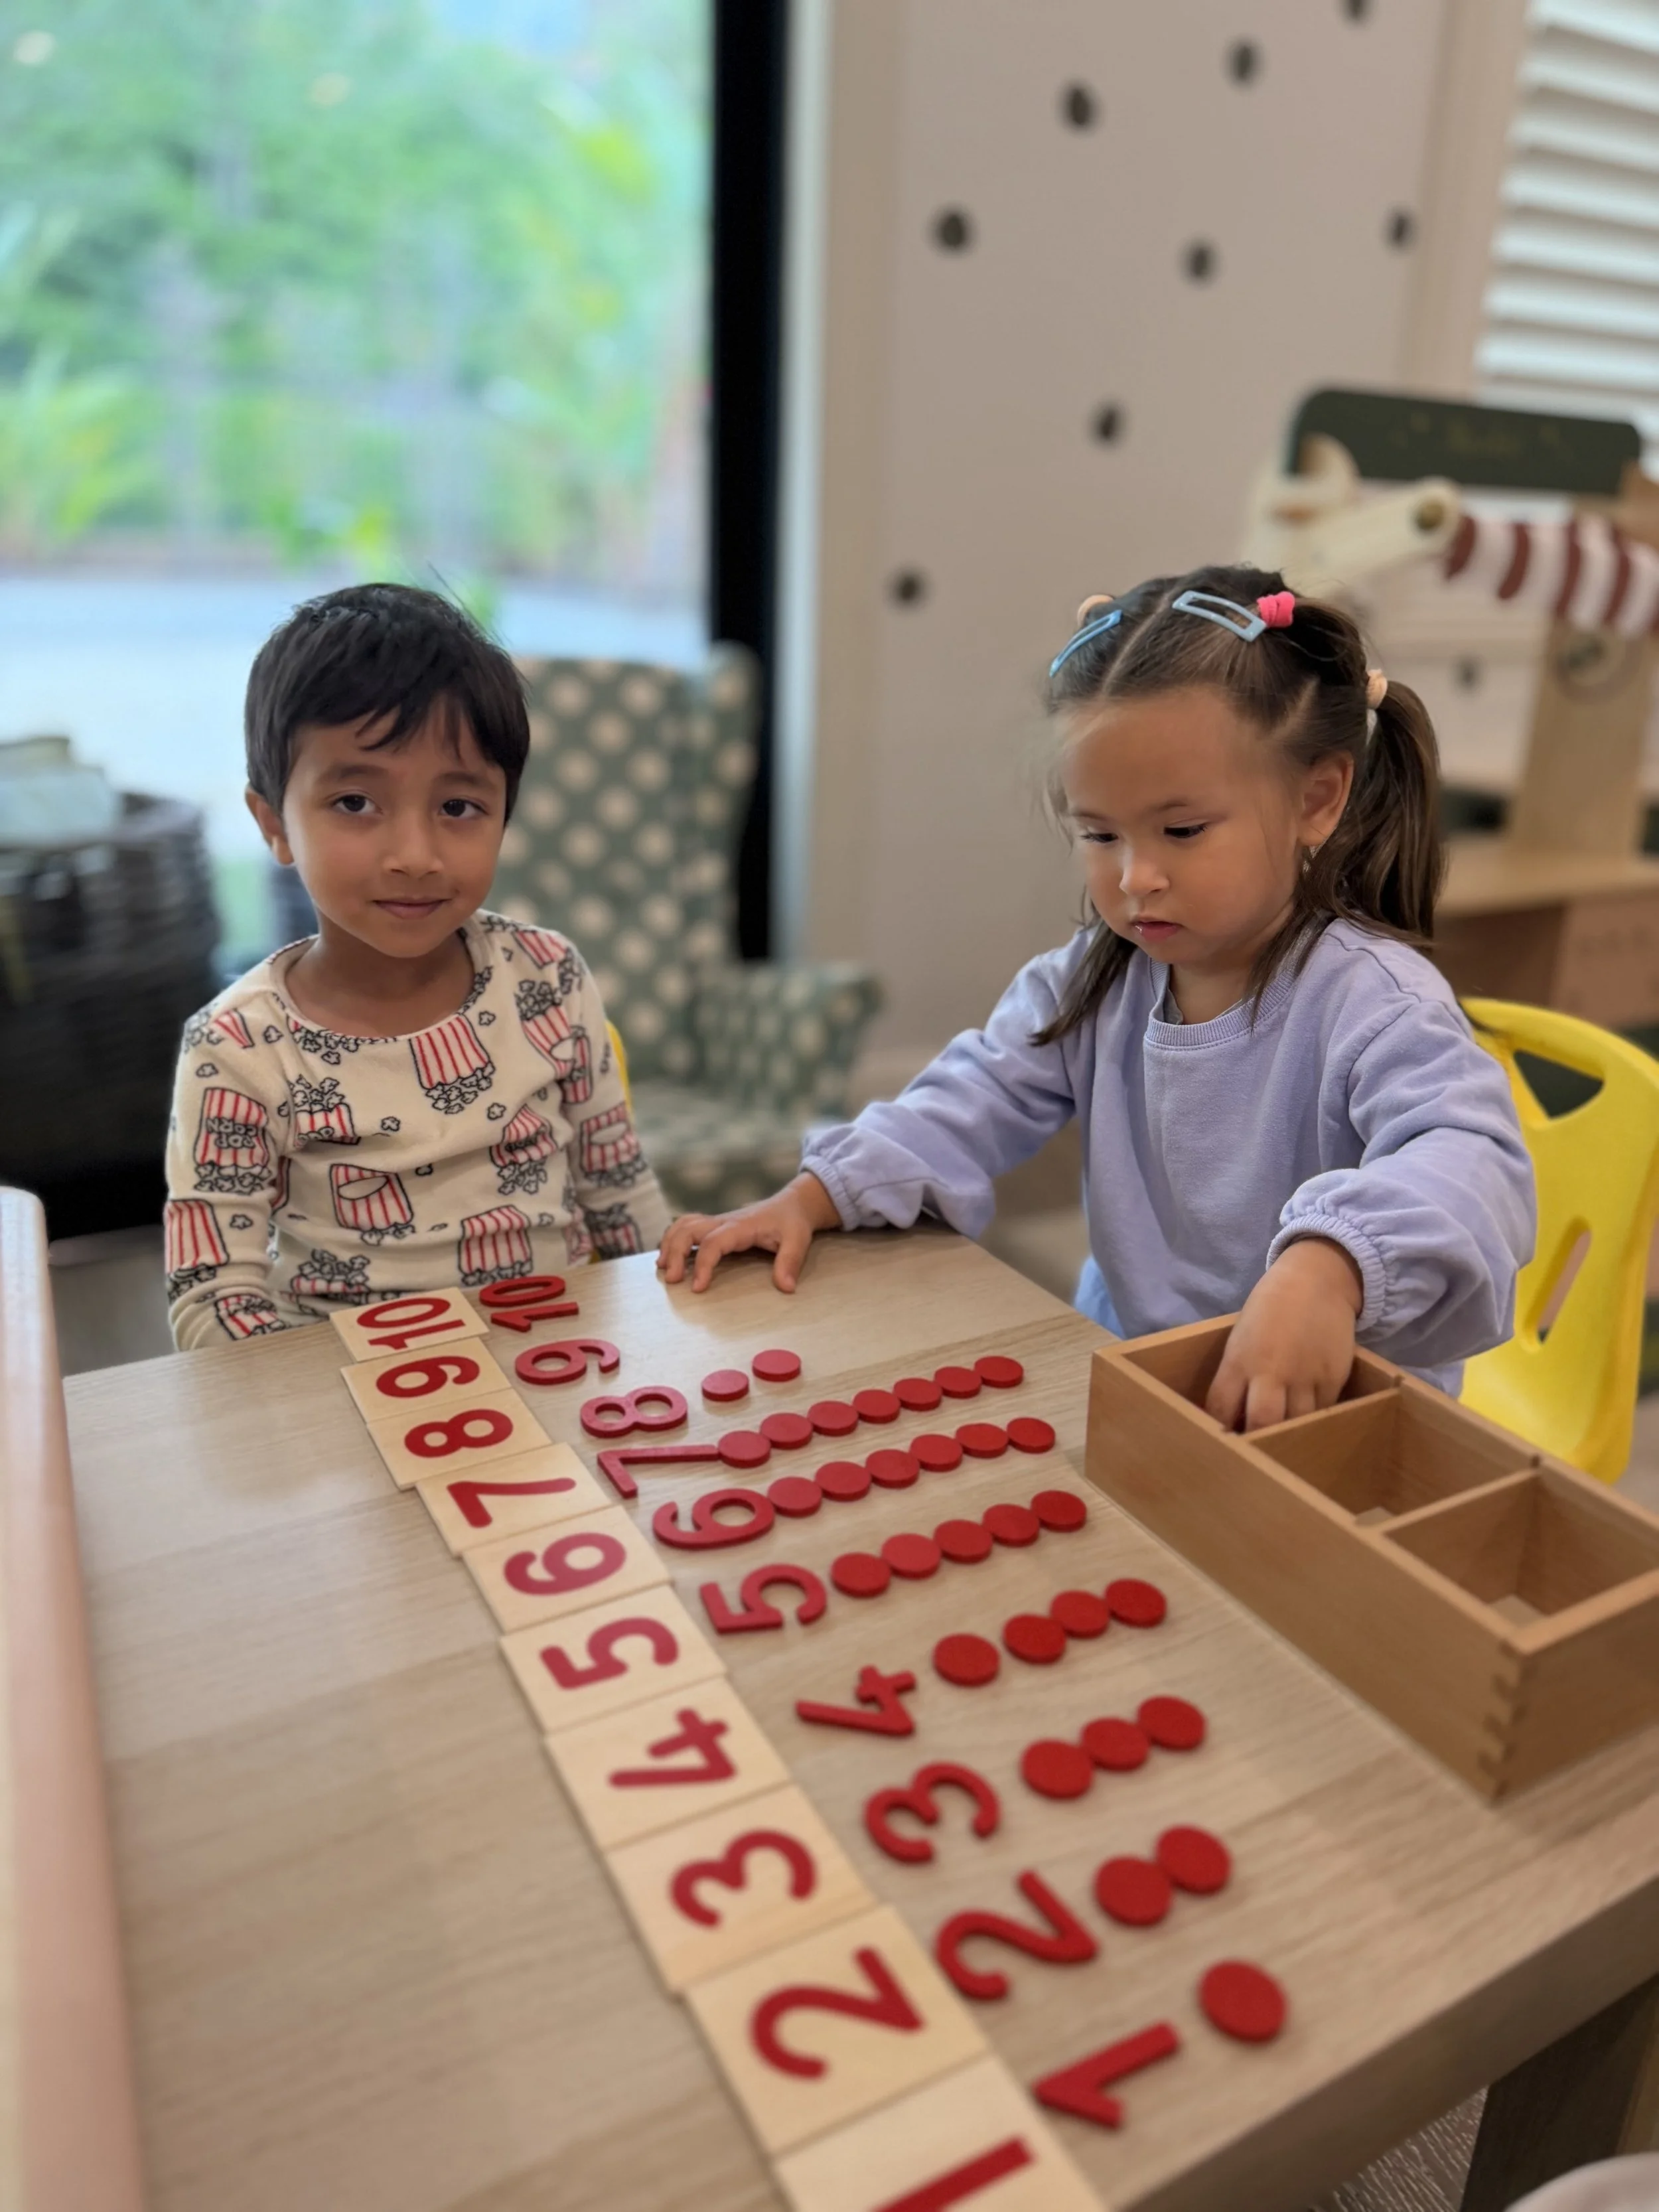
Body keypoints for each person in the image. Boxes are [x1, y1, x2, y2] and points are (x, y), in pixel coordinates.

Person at [659, 563, 1534, 1430]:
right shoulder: (1098, 974)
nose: (1136, 877)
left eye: (1182, 831)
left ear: (1317, 798)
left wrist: (1331, 1267)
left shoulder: (1372, 1001)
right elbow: (976, 1091)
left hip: (1330, 1417)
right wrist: (814, 1195)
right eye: (1099, 833)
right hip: (1139, 1387)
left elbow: (1473, 1160)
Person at [164, 583, 668, 1347]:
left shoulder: (550, 978)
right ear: (275, 824)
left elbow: (623, 1206)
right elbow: (214, 1298)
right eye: (357, 803)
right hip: (349, 1405)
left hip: (566, 1370)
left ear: (504, 814)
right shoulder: (234, 1047)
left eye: (459, 808)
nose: (415, 857)